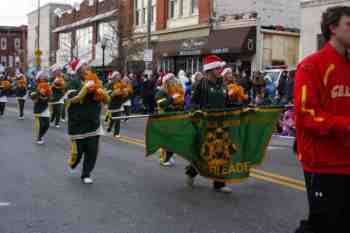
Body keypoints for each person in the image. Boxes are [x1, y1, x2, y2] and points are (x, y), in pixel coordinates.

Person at [294, 6, 350, 233]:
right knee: (322, 225)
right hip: (323, 162)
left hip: (347, 159)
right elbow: (307, 114)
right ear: (333, 28)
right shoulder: (312, 65)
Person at [187, 55, 233, 193]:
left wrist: (245, 106)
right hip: (206, 124)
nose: (221, 70)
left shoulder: (224, 85)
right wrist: (197, 113)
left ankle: (219, 183)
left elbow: (228, 104)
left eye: (221, 68)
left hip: (222, 123)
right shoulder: (202, 83)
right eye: (218, 68)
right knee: (204, 154)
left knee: (222, 153)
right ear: (211, 69)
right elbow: (193, 103)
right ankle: (191, 172)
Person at [66, 58, 109, 184]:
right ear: (78, 69)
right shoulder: (72, 83)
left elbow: (106, 100)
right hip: (78, 123)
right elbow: (71, 98)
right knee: (78, 152)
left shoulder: (97, 81)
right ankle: (73, 164)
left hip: (93, 122)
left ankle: (86, 173)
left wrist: (102, 93)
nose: (87, 67)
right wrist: (85, 88)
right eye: (84, 65)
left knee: (92, 150)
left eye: (87, 65)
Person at [155, 73, 185, 167]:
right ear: (166, 81)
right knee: (168, 140)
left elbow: (181, 103)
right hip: (165, 117)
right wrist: (172, 98)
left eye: (174, 79)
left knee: (175, 139)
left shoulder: (176, 90)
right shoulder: (162, 91)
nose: (174, 80)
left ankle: (169, 155)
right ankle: (164, 158)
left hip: (175, 116)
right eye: (171, 79)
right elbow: (162, 104)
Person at [106, 71, 132, 138]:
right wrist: (113, 93)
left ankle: (116, 133)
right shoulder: (110, 84)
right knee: (112, 118)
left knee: (118, 119)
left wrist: (125, 92)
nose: (119, 77)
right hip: (112, 104)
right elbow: (107, 94)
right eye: (117, 75)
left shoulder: (121, 83)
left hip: (119, 103)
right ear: (114, 77)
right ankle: (109, 127)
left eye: (119, 75)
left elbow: (125, 92)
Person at [30, 71, 52, 145]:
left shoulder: (48, 85)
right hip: (38, 107)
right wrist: (38, 93)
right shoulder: (35, 85)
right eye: (42, 76)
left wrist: (48, 97)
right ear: (38, 78)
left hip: (45, 107)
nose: (44, 77)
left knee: (47, 124)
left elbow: (50, 96)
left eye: (44, 75)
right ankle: (39, 137)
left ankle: (41, 135)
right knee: (41, 124)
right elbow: (32, 95)